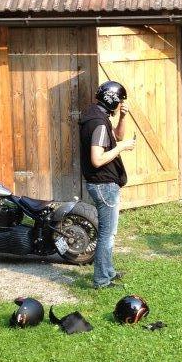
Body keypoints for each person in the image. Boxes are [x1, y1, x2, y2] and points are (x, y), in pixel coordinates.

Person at [79, 80, 136, 289]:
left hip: (101, 184)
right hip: (104, 185)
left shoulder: (96, 115)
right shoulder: (99, 123)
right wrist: (122, 147)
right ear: (112, 100)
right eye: (120, 101)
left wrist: (123, 117)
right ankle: (102, 280)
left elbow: (116, 136)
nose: (121, 104)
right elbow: (97, 159)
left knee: (108, 232)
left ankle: (108, 271)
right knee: (107, 234)